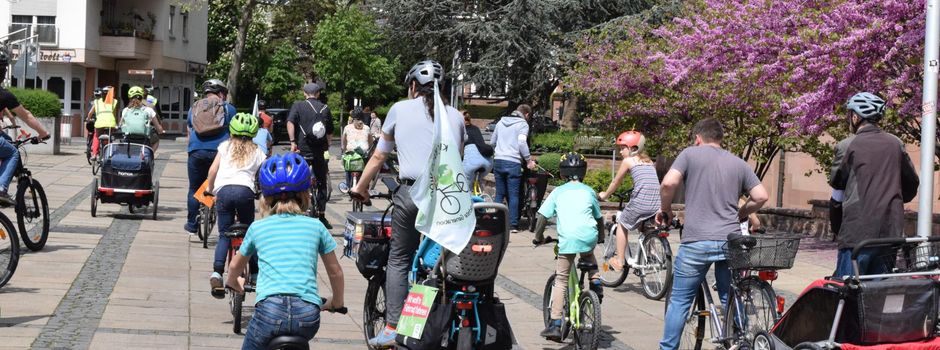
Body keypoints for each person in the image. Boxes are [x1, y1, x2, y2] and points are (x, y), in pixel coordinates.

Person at [350, 60, 465, 347]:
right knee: (442, 263)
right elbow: (457, 160)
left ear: (413, 86)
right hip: (448, 198)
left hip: (412, 194)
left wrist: (361, 188)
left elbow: (379, 156)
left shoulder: (399, 110)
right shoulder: (456, 116)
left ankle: (392, 327)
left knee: (400, 258)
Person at [657, 118, 768, 349]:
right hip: (730, 241)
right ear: (720, 138)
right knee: (730, 295)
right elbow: (761, 196)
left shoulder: (689, 154)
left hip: (696, 240)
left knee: (679, 301)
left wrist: (665, 209)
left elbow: (668, 184)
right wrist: (742, 213)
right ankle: (740, 341)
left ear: (698, 138)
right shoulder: (738, 163)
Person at [226, 153, 345, 350]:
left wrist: (234, 283)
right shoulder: (316, 227)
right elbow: (336, 272)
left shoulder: (258, 228)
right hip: (307, 316)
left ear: (265, 198)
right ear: (305, 194)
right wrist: (337, 302)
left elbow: (234, 266)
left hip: (269, 313)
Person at [830, 92, 918, 277]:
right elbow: (911, 184)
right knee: (877, 296)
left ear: (855, 116)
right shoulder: (896, 143)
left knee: (847, 293)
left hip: (857, 233)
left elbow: (837, 192)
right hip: (890, 232)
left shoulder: (848, 145)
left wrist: (837, 228)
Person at [533, 152, 605, 341]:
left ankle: (556, 323)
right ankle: (596, 283)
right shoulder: (589, 191)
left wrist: (537, 237)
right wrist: (601, 238)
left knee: (562, 279)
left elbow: (542, 217)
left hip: (568, 240)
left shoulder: (558, 192)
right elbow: (599, 218)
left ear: (562, 173)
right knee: (588, 255)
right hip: (588, 236)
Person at [205, 113, 266, 297]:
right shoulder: (258, 151)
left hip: (223, 192)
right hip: (245, 192)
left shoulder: (224, 147)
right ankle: (254, 273)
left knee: (224, 233)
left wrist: (209, 189)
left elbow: (213, 170)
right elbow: (264, 174)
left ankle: (217, 273)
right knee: (250, 234)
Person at [595, 131, 661, 268]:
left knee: (622, 224)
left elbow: (615, 182)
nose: (620, 152)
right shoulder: (649, 162)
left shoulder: (628, 161)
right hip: (656, 203)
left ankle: (620, 260)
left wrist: (604, 195)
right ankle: (653, 252)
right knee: (645, 226)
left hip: (640, 202)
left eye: (622, 148)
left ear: (633, 148)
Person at [184, 79, 236, 235]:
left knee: (194, 187)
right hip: (219, 152)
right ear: (220, 93)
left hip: (196, 151)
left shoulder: (194, 108)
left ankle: (192, 224)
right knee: (220, 187)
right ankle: (224, 225)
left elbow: (189, 129)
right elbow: (235, 131)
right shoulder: (229, 109)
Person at [0, 48, 50, 205]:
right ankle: (1, 188)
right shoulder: (4, 95)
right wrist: (43, 132)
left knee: (6, 139)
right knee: (13, 153)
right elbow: (26, 115)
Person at [286, 82, 334, 228]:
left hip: (302, 149)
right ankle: (322, 215)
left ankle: (298, 210)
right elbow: (330, 131)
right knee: (321, 182)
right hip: (319, 150)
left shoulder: (298, 106)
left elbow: (290, 123)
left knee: (298, 180)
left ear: (304, 93)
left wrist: (293, 142)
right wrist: (328, 144)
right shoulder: (325, 108)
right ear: (318, 94)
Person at [491, 104, 536, 232]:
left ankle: (495, 222)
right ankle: (512, 225)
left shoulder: (501, 122)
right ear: (526, 114)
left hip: (498, 161)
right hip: (513, 162)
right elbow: (522, 143)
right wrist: (528, 160)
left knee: (499, 193)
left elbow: (493, 142)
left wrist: (499, 152)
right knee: (513, 194)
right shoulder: (522, 124)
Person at [340, 108, 372, 192]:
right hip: (363, 154)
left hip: (351, 154)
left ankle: (347, 185)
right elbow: (370, 142)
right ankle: (365, 188)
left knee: (347, 168)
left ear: (353, 118)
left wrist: (343, 150)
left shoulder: (347, 128)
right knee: (366, 171)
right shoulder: (367, 128)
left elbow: (343, 142)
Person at [462, 110, 494, 190]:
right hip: (488, 162)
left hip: (472, 162)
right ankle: (480, 196)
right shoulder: (475, 128)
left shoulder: (461, 130)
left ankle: (468, 199)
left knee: (466, 187)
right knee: (478, 182)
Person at [88, 86, 119, 160]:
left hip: (99, 123)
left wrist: (88, 119)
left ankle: (94, 154)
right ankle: (109, 154)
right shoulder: (114, 101)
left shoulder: (97, 102)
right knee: (110, 137)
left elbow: (90, 113)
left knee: (96, 136)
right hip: (111, 123)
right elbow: (114, 114)